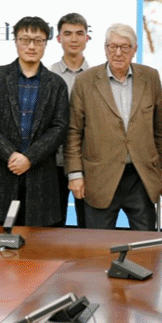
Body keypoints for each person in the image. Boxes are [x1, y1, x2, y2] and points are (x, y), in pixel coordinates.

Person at [65, 23, 162, 231]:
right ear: (105, 49)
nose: (118, 53)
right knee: (98, 246)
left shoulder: (150, 78)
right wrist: (75, 174)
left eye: (125, 47)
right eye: (113, 47)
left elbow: (159, 129)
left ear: (134, 50)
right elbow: (74, 132)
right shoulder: (85, 81)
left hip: (141, 177)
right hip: (99, 179)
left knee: (146, 244)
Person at [0, 16, 69, 227]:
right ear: (15, 41)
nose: (31, 46)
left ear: (46, 43)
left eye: (38, 40)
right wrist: (11, 154)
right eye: (25, 40)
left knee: (37, 245)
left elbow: (59, 127)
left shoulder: (56, 84)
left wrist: (30, 157)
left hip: (40, 180)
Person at [49, 12, 91, 227]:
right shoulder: (48, 75)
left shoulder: (97, 76)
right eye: (68, 34)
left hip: (88, 162)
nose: (74, 39)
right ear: (58, 38)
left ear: (87, 38)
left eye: (79, 33)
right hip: (53, 162)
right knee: (53, 227)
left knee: (89, 226)